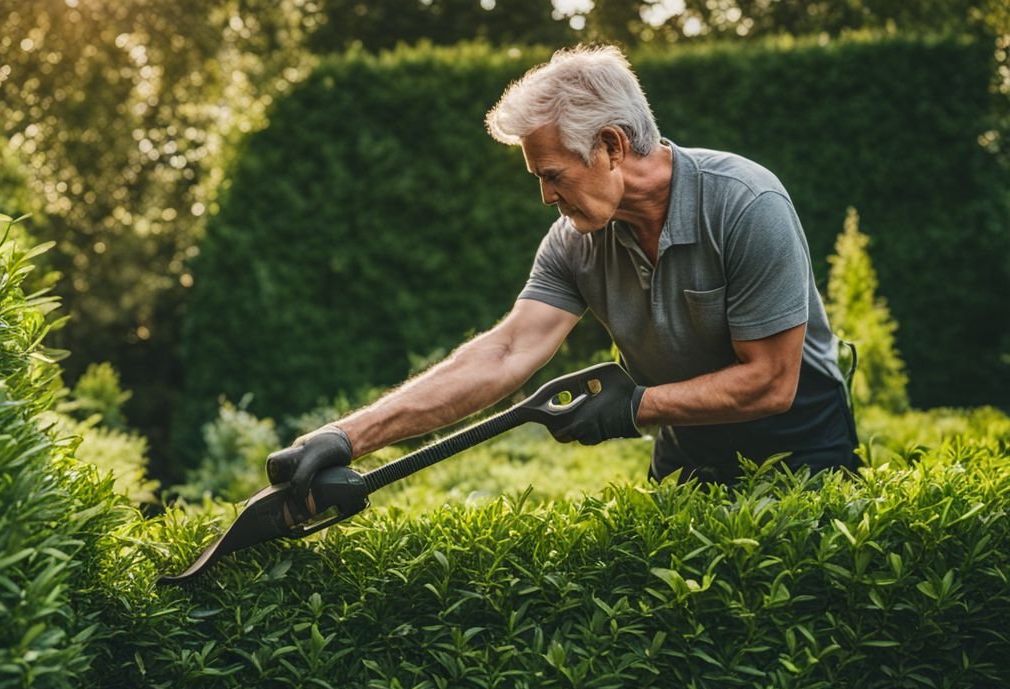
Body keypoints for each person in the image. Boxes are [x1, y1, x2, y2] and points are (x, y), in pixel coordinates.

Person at [266, 44, 860, 502]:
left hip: (803, 447)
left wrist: (634, 406)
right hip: (689, 446)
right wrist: (348, 437)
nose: (547, 197)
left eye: (552, 175)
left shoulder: (745, 204)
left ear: (610, 145)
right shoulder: (577, 240)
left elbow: (771, 382)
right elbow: (504, 353)